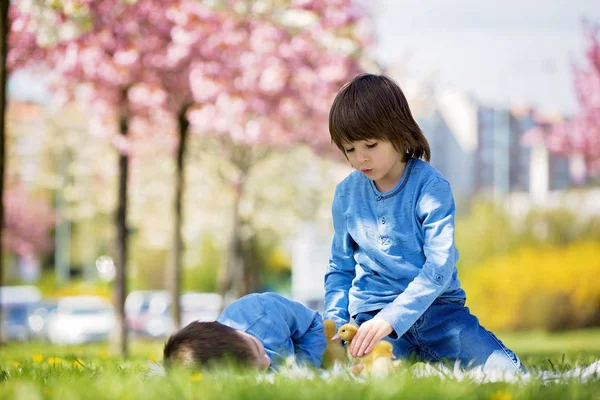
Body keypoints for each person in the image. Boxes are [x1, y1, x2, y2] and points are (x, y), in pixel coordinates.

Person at [323, 73, 526, 373]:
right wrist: (336, 328)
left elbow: (439, 267)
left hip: (439, 314)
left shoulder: (430, 187)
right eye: (350, 149)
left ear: (398, 132)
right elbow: (340, 268)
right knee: (374, 378)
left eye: (370, 144)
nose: (361, 158)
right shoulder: (346, 195)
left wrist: (391, 318)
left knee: (506, 373)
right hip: (371, 317)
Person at [163, 292, 326, 370]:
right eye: (256, 369)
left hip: (316, 338)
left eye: (257, 348)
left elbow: (313, 323)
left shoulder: (266, 312)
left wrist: (306, 366)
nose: (266, 362)